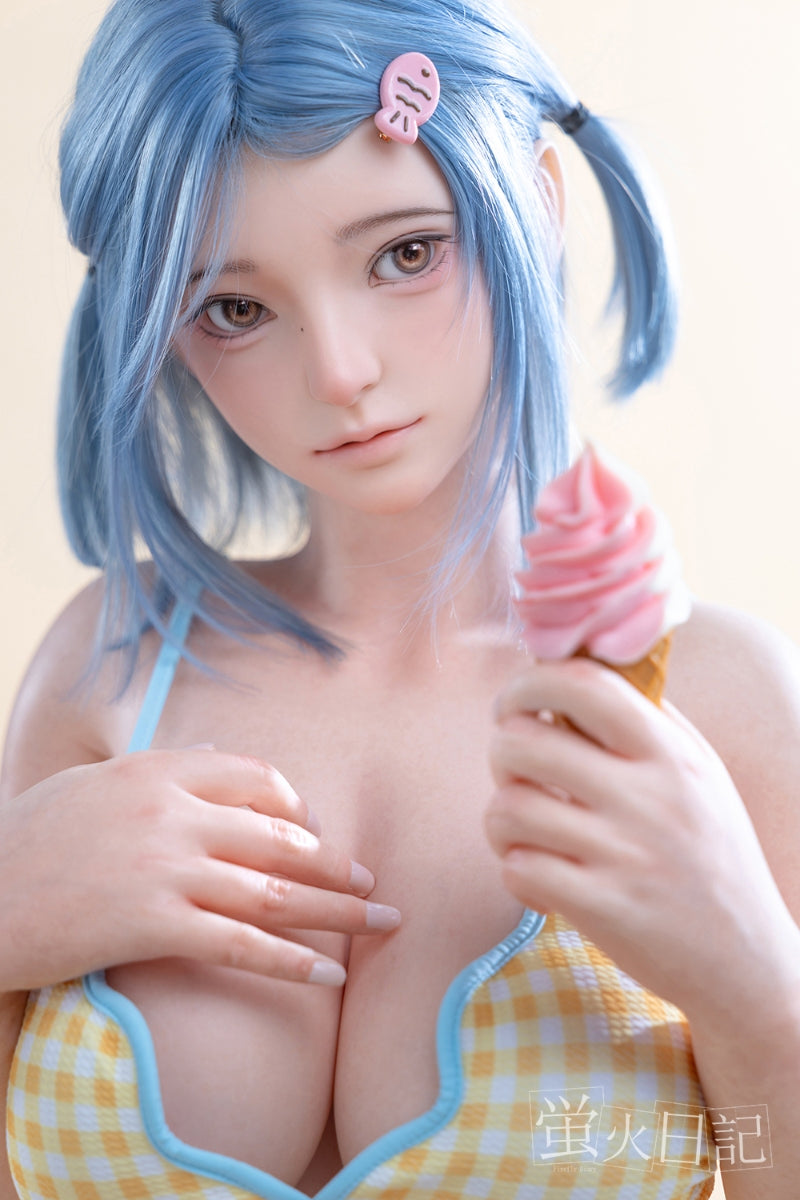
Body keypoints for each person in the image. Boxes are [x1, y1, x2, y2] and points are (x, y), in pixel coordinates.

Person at [1, 0, 798, 1197]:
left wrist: (756, 992)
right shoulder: (106, 663)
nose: (341, 371)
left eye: (404, 254)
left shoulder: (717, 709)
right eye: (235, 308)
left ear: (534, 204)